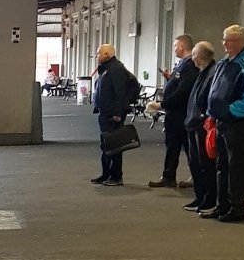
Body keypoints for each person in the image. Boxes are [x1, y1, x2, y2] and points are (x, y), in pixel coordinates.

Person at [201, 23, 244, 222]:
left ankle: (238, 207)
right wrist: (212, 114)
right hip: (221, 122)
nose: (225, 43)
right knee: (222, 165)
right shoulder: (224, 62)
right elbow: (214, 91)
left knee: (236, 166)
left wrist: (229, 112)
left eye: (229, 40)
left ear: (241, 41)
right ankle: (223, 205)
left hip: (238, 123)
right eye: (224, 39)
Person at [148, 34, 198, 188]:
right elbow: (178, 83)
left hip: (180, 114)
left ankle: (198, 177)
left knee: (188, 148)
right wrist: (170, 78)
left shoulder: (190, 66)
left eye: (176, 46)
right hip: (174, 114)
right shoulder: (182, 64)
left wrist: (162, 104)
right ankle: (169, 176)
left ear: (182, 47)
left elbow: (183, 91)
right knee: (173, 145)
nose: (174, 49)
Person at [91, 44, 136, 186]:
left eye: (98, 54)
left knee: (115, 145)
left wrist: (118, 113)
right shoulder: (106, 69)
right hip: (105, 113)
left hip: (113, 115)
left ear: (107, 54)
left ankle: (116, 176)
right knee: (105, 144)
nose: (96, 56)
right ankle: (106, 174)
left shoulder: (116, 70)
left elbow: (119, 93)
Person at [182, 41, 218, 213]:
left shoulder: (212, 73)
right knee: (195, 164)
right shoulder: (202, 72)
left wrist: (203, 118)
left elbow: (209, 100)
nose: (192, 59)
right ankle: (200, 196)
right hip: (193, 124)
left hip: (202, 126)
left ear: (201, 56)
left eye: (194, 55)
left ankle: (209, 199)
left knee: (206, 165)